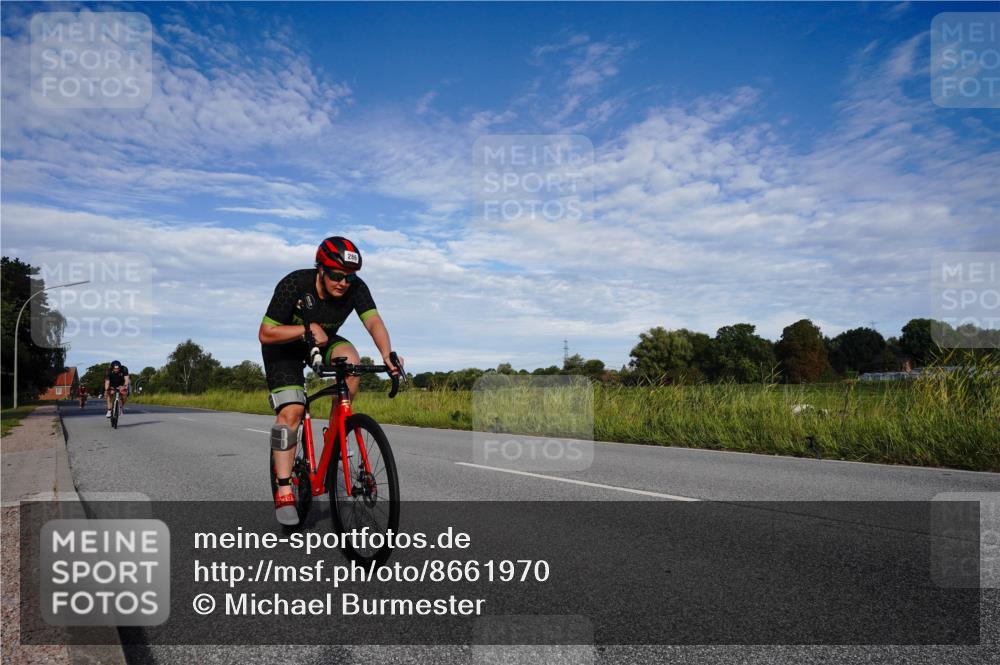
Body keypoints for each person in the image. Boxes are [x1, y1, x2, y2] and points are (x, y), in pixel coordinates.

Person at [259, 236, 402, 526]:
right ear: (320, 269)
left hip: (322, 340)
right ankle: (285, 488)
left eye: (349, 277)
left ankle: (336, 432)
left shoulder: (355, 288)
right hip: (283, 346)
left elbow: (373, 321)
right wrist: (304, 329)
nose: (343, 282)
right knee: (292, 411)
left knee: (352, 362)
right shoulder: (295, 283)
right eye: (336, 275)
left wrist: (388, 354)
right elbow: (266, 332)